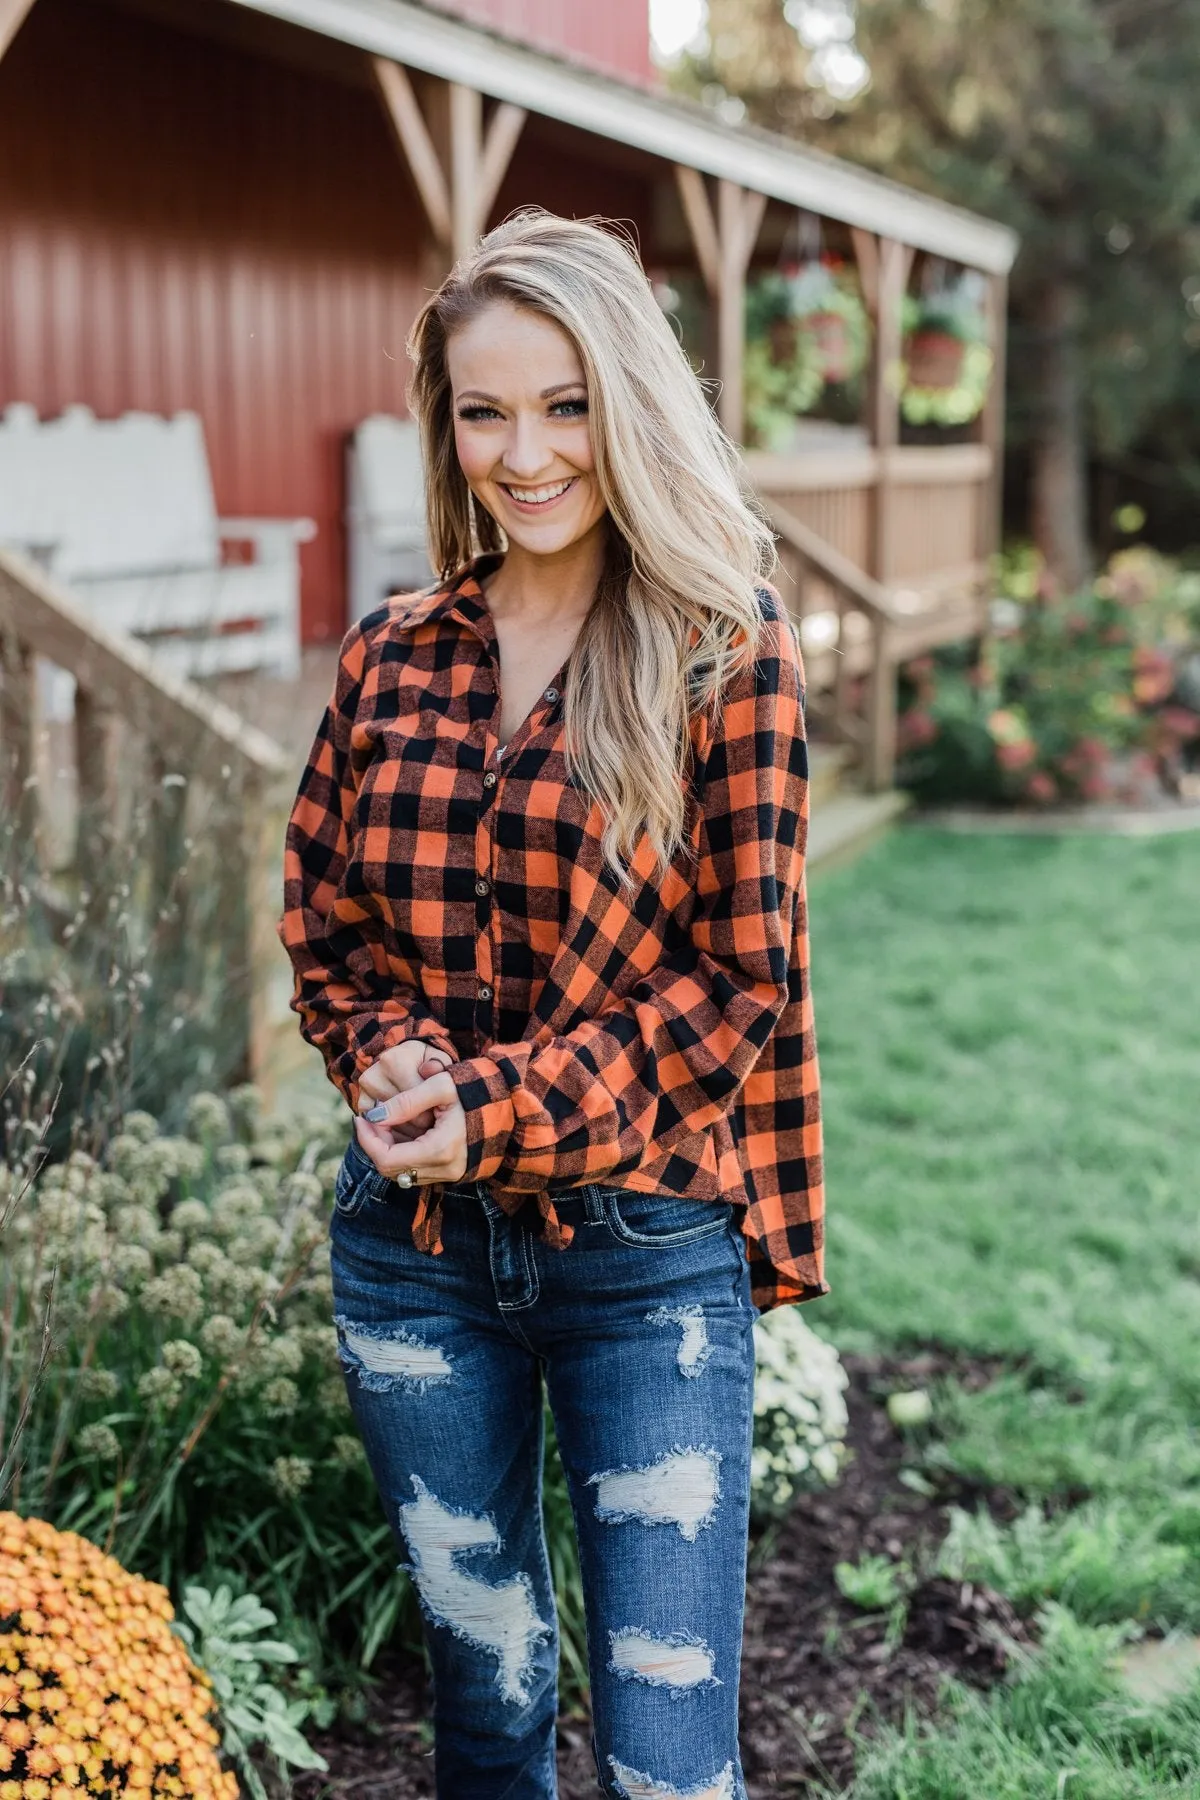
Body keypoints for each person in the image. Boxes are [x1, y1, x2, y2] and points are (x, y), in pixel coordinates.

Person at [279, 208, 826, 1800]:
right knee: (487, 1699)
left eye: (567, 403)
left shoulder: (726, 654)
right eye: (485, 409)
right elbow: (328, 920)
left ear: (631, 404)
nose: (526, 453)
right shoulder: (393, 657)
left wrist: (499, 1113)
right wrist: (395, 1067)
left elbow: (735, 987)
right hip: (415, 1258)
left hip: (642, 1260)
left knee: (667, 1756)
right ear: (446, 426)